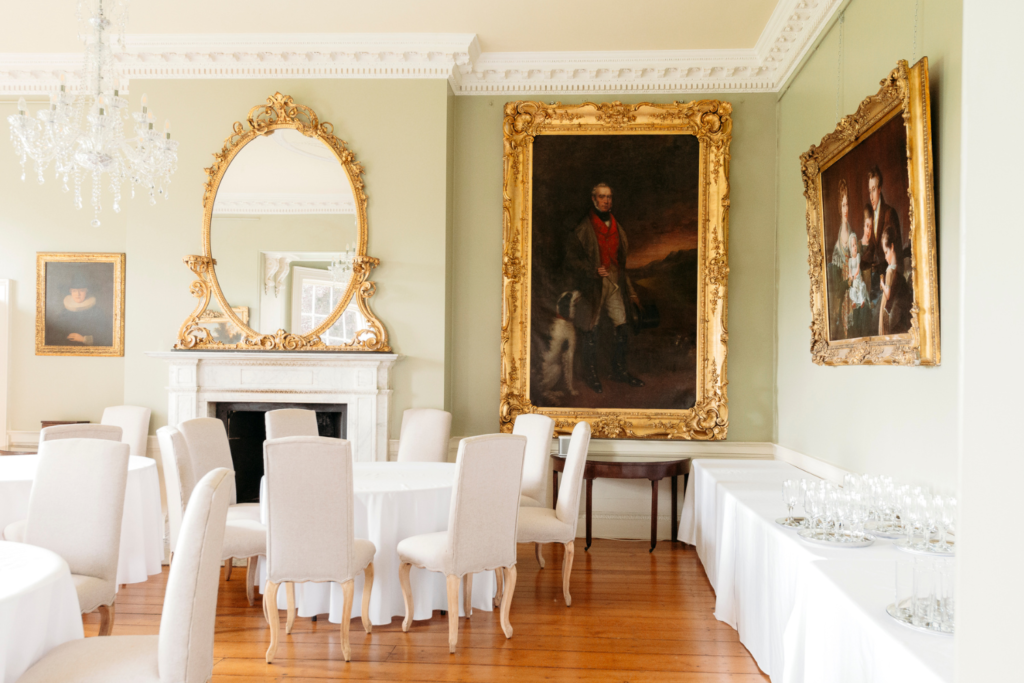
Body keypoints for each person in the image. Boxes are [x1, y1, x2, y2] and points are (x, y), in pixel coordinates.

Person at [563, 182, 644, 393]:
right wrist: (592, 270)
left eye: (609, 197)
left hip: (615, 280)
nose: (606, 200)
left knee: (622, 323)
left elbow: (621, 262)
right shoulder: (582, 229)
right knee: (592, 326)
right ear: (594, 199)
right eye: (602, 196)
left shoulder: (618, 228)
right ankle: (591, 375)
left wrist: (631, 291)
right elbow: (571, 261)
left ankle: (619, 371)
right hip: (594, 284)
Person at [861, 165, 903, 298]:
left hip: (889, 280)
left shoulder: (889, 213)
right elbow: (872, 249)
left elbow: (898, 254)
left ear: (879, 189)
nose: (871, 196)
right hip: (878, 279)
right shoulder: (872, 218)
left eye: (873, 190)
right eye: (869, 191)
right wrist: (858, 263)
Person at [46, 276, 112, 347]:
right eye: (74, 291)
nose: (78, 294)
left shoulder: (97, 312)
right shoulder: (64, 312)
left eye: (81, 290)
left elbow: (106, 337)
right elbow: (55, 335)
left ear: (87, 291)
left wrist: (83, 339)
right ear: (70, 292)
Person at [878, 228, 912, 335]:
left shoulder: (889, 271)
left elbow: (888, 295)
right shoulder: (895, 267)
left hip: (889, 307)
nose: (885, 257)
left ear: (892, 247)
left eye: (886, 252)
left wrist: (882, 284)